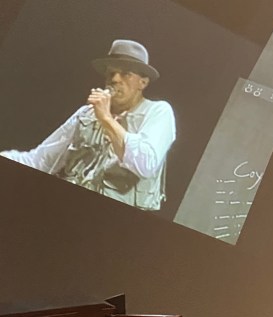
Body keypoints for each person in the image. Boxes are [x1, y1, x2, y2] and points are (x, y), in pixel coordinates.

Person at [1, 40, 176, 210]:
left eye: (126, 74)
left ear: (143, 82)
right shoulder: (87, 113)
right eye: (111, 73)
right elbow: (41, 160)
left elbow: (145, 164)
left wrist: (105, 118)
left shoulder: (158, 111)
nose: (115, 79)